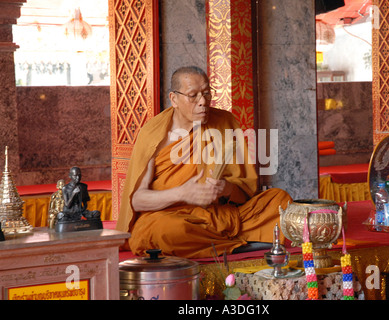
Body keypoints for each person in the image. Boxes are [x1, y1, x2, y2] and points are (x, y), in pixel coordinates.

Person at [115, 66, 292, 259]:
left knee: (280, 201)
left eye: (207, 93)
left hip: (221, 214)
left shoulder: (224, 122)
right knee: (161, 231)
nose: (203, 102)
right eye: (193, 96)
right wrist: (182, 193)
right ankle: (239, 243)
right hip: (174, 217)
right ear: (173, 99)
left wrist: (226, 189)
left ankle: (221, 242)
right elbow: (138, 200)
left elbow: (245, 191)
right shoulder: (154, 136)